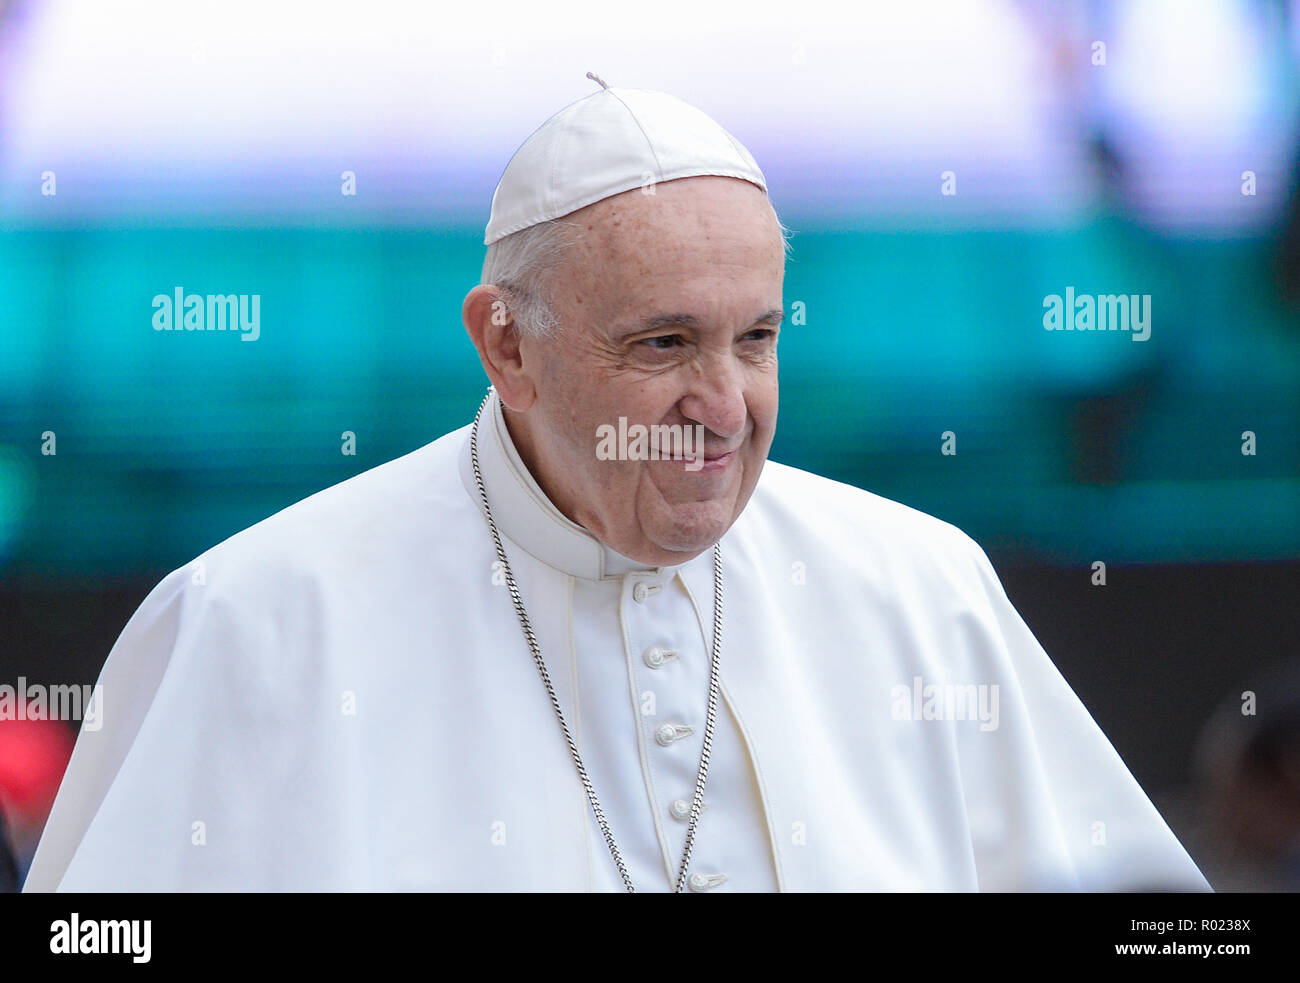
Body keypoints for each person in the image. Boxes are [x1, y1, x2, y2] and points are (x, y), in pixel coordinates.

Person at [24, 77, 1209, 892]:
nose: (726, 405)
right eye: (662, 345)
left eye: (754, 338)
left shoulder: (919, 583)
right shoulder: (259, 616)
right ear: (505, 345)